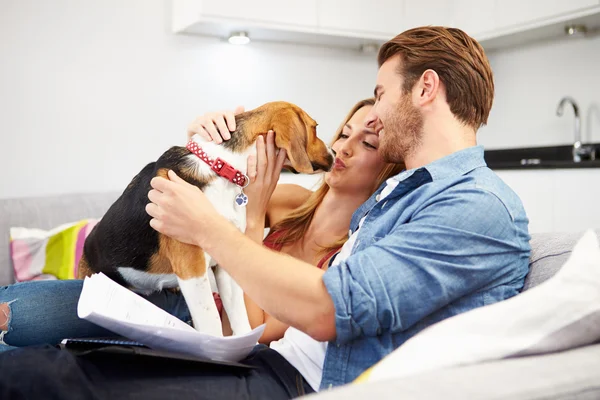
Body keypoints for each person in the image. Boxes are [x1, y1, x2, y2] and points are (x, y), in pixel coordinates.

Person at [0, 26, 531, 400]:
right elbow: (224, 187)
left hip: (280, 367)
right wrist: (209, 141)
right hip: (241, 344)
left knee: (48, 377)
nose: (366, 123)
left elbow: (331, 308)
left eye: (380, 93)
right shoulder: (403, 198)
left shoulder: (476, 205)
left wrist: (210, 228)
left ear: (426, 88)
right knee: (41, 348)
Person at [0, 98, 401, 349]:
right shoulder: (293, 200)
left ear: (389, 164)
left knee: (25, 322)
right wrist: (203, 137)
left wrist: (254, 214)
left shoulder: (350, 247)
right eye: (343, 132)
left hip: (207, 323)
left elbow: (258, 331)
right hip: (164, 289)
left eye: (366, 143)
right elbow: (201, 191)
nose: (341, 147)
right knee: (13, 318)